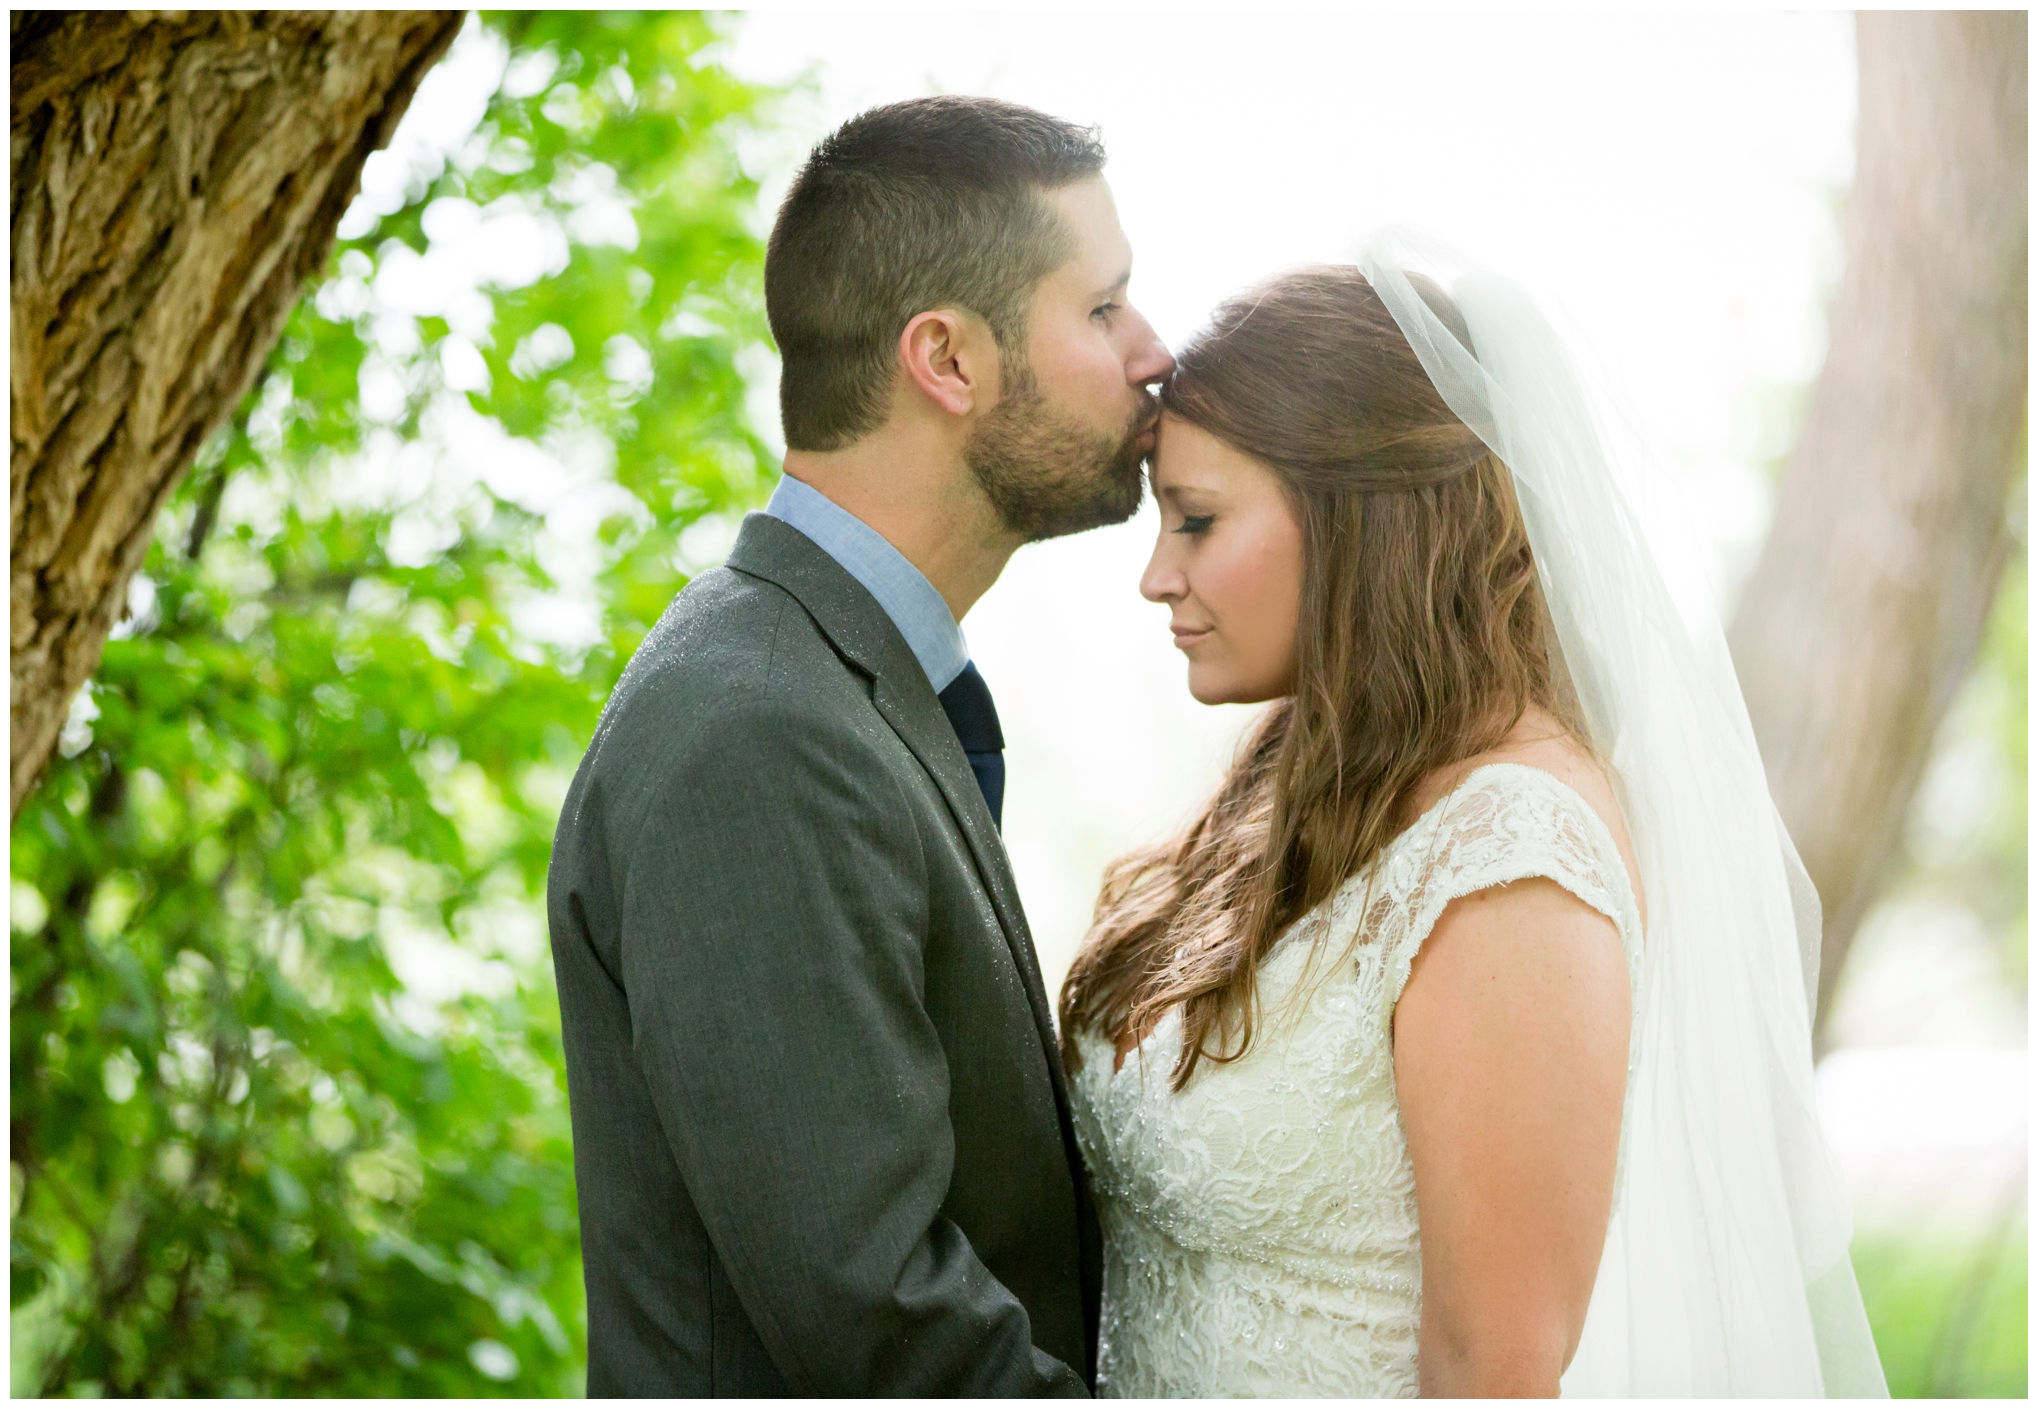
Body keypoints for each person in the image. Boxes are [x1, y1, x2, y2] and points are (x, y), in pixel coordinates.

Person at [1060, 239, 1888, 1397]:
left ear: (1360, 521)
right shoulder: (1299, 788)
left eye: (1196, 519)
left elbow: (1492, 1366)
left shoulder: (1511, 856)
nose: (1157, 573)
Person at [546, 95, 1172, 1395]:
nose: (1153, 351)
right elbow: (880, 1324)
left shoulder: (833, 678)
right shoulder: (762, 732)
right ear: (947, 359)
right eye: (1103, 309)